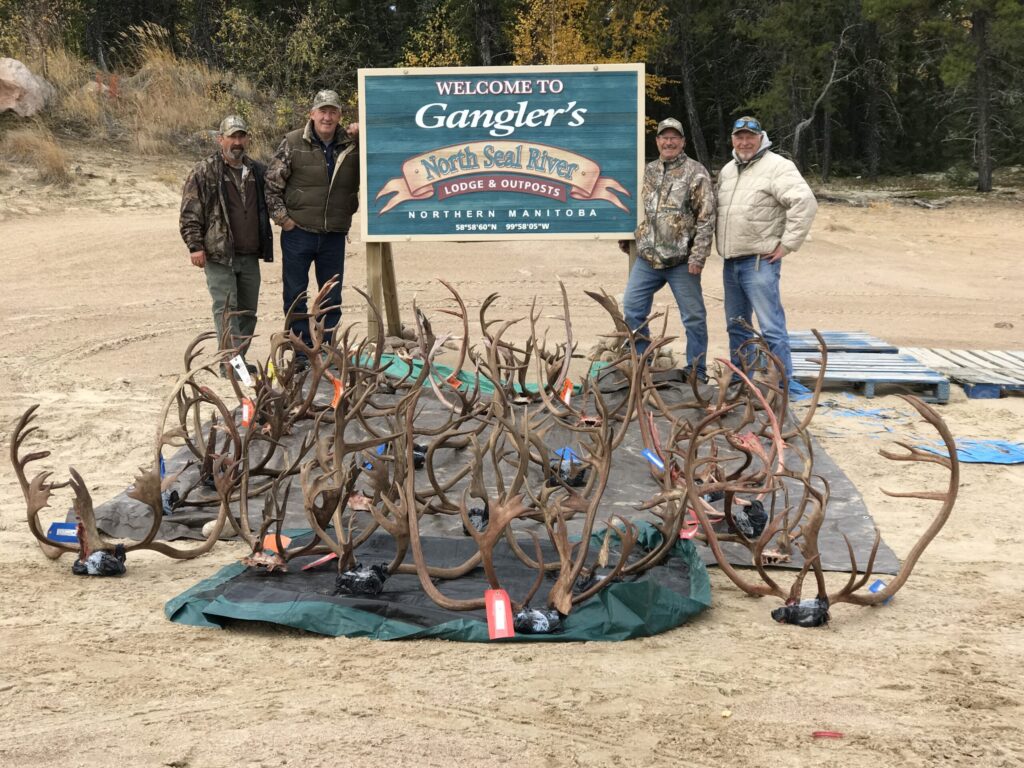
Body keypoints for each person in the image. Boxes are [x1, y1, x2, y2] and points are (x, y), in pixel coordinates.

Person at [715, 116, 818, 382]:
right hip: (731, 262)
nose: (745, 142)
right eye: (740, 137)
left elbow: (805, 202)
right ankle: (740, 381)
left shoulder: (777, 167)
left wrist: (787, 244)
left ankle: (781, 387)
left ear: (761, 138)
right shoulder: (728, 171)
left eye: (751, 136)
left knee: (771, 328)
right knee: (736, 327)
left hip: (760, 262)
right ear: (733, 140)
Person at [265, 89, 359, 361]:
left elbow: (378, 157)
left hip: (333, 235)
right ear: (312, 114)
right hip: (299, 233)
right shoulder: (293, 142)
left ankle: (327, 348)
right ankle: (302, 352)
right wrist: (284, 220)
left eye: (333, 112)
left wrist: (363, 133)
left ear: (340, 115)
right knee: (296, 294)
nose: (327, 117)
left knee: (331, 295)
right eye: (323, 111)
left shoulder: (351, 144)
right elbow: (271, 185)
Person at [621, 117, 715, 380]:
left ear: (683, 142)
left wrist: (698, 256)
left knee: (694, 317)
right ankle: (642, 361)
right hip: (648, 259)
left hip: (682, 261)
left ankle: (697, 371)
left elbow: (706, 218)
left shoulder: (696, 172)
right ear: (658, 141)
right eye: (665, 137)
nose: (669, 141)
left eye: (675, 137)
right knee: (632, 308)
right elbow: (643, 210)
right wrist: (632, 237)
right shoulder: (649, 170)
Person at [179, 114, 273, 373]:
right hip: (219, 255)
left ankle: (237, 360)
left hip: (250, 254)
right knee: (226, 310)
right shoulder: (204, 171)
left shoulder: (257, 171)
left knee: (247, 312)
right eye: (232, 136)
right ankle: (230, 364)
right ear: (220, 139)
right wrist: (194, 246)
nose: (237, 141)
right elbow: (189, 212)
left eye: (241, 135)